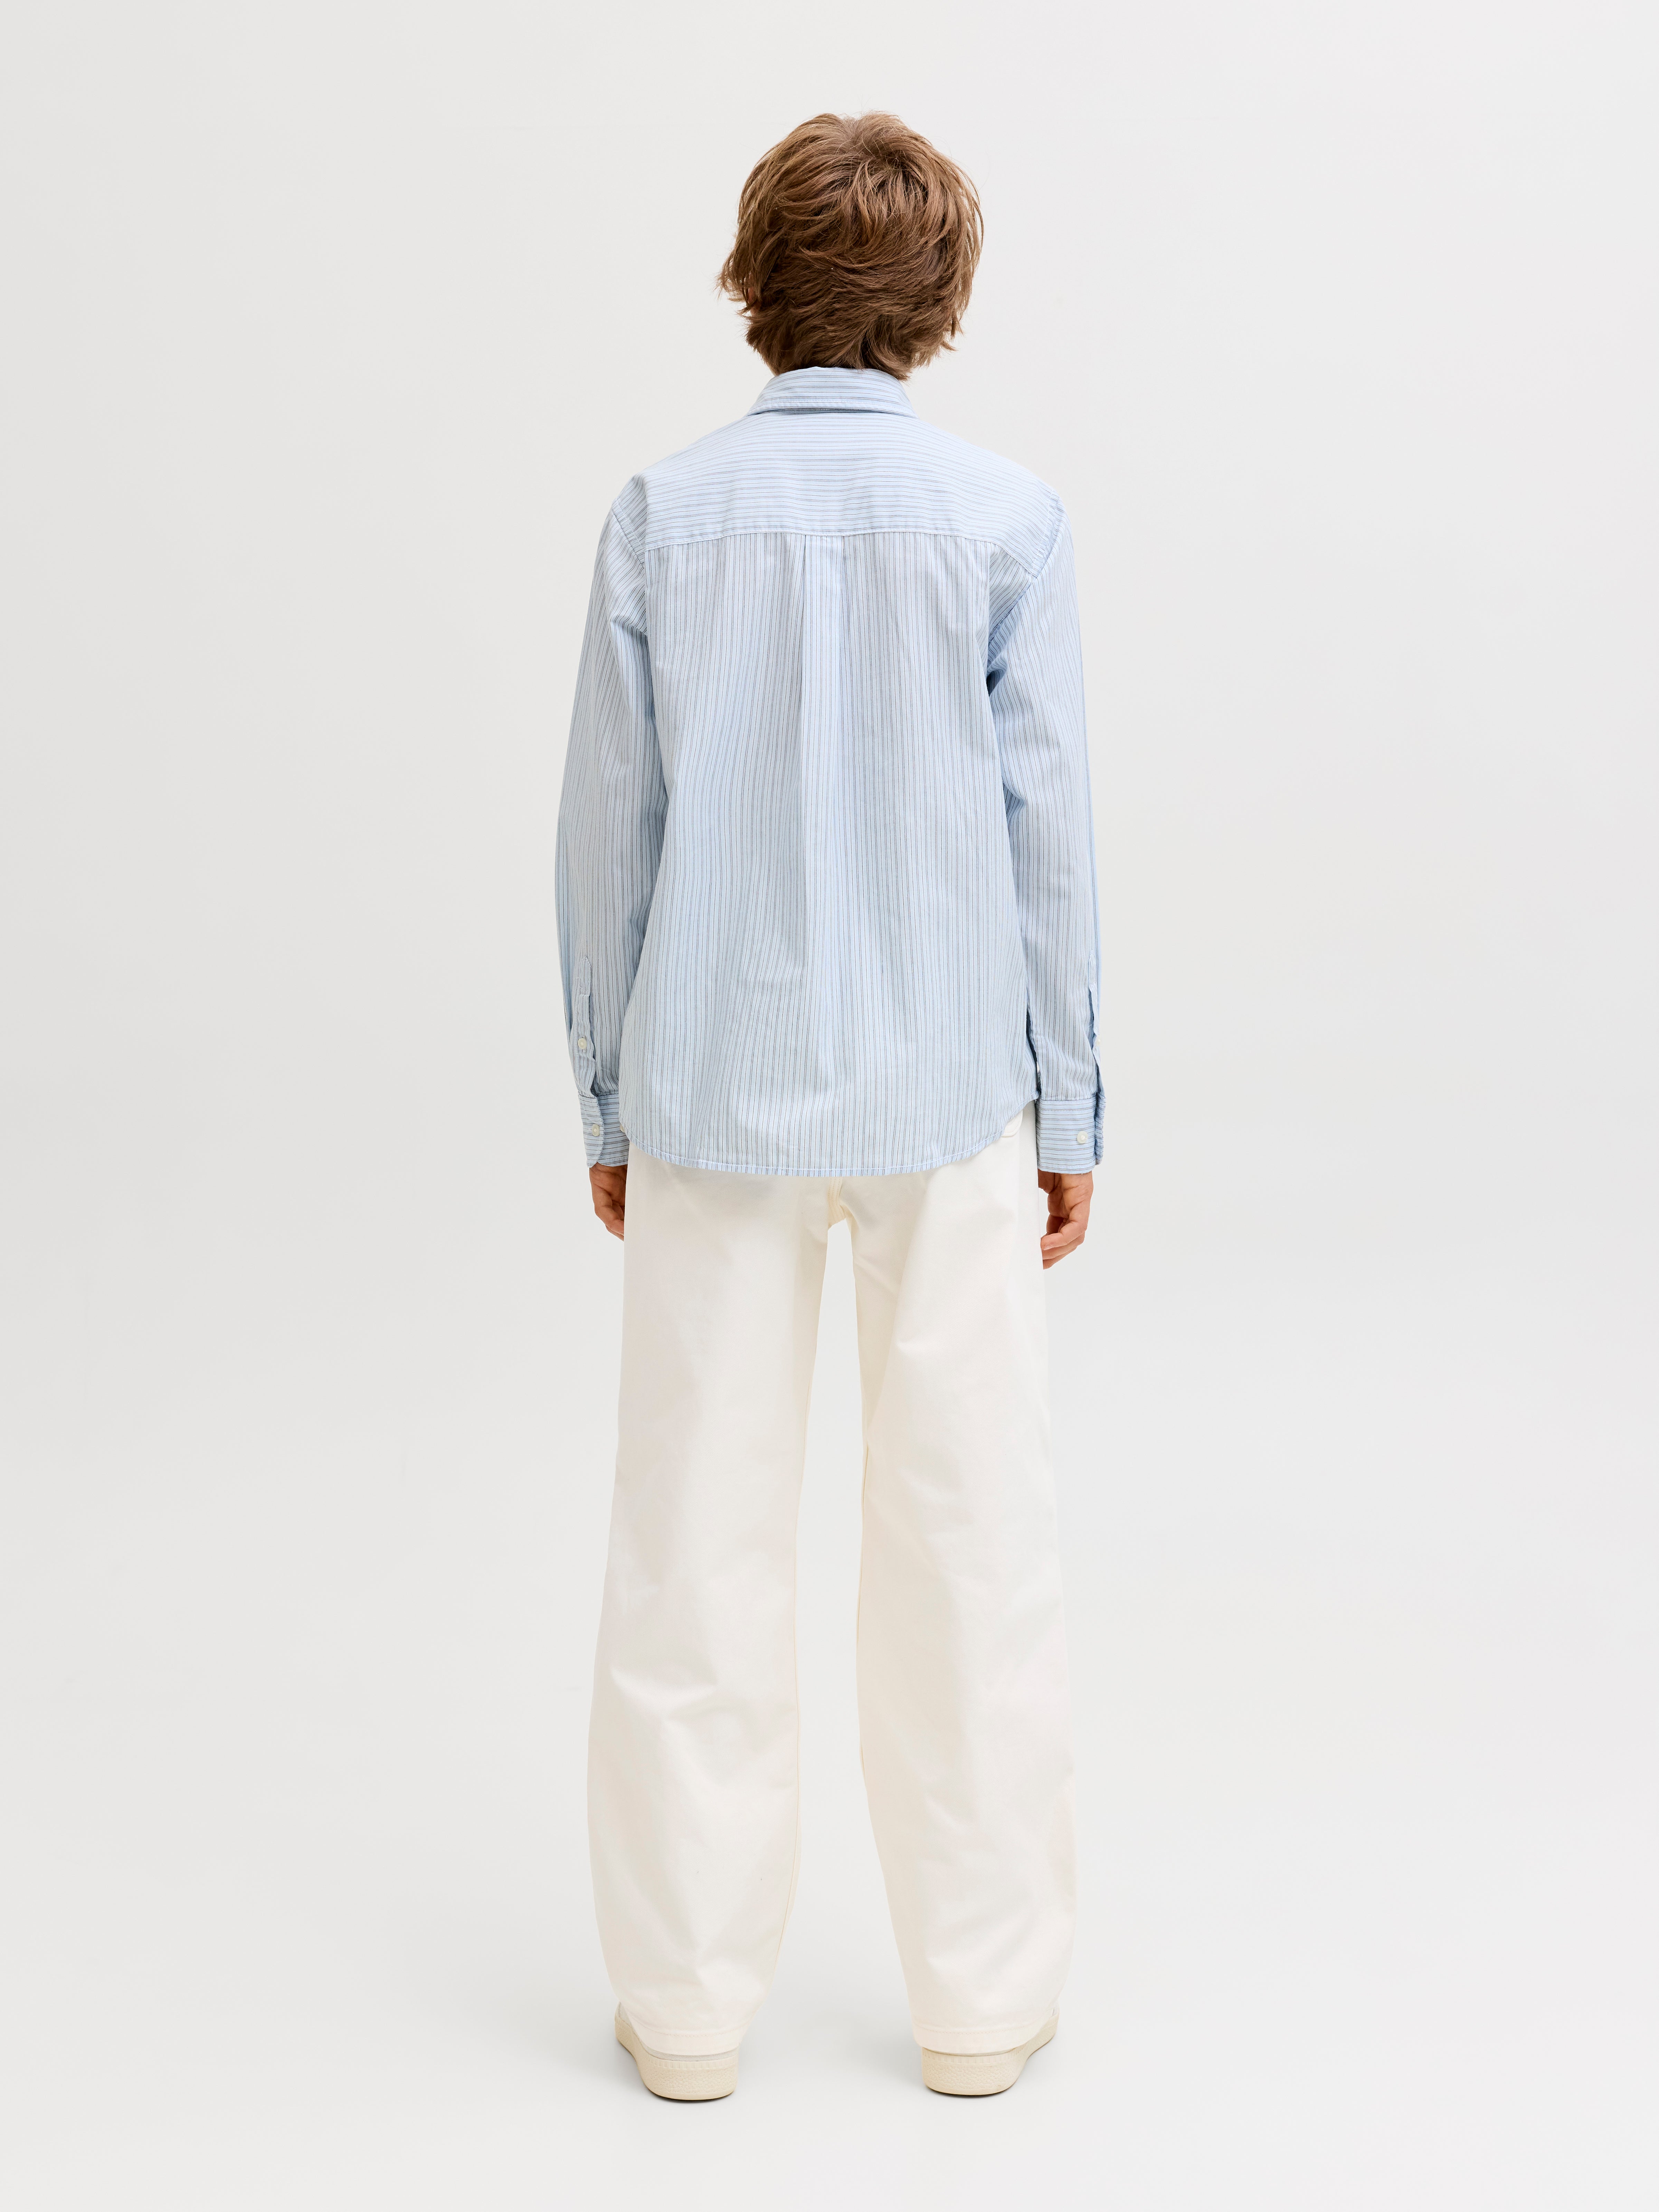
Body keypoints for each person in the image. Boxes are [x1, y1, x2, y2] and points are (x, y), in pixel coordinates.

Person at [556, 111, 1099, 2102]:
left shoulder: (663, 514)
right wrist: (1069, 1103)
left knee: (690, 1548)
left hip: (711, 1091)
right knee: (972, 1541)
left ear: (755, 282)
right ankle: (981, 2001)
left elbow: (607, 828)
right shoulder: (1004, 518)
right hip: (952, 1097)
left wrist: (607, 1091)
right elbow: (1048, 835)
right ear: (937, 299)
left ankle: (688, 2008)